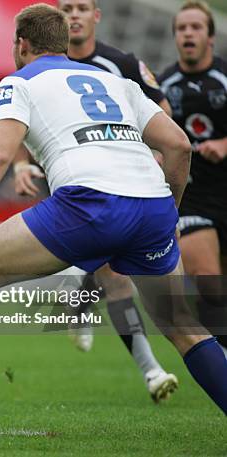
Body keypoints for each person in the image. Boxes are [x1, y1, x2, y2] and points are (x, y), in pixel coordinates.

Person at [0, 4, 227, 447]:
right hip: (150, 207)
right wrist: (168, 212)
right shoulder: (117, 82)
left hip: (89, 202)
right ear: (63, 41)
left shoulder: (18, 81)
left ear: (21, 44)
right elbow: (178, 146)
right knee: (182, 325)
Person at [13, 0, 178, 402]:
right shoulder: (33, 72)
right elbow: (16, 125)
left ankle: (83, 303)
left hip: (130, 182)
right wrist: (20, 164)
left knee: (122, 274)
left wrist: (155, 153)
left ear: (96, 16)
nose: (74, 14)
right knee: (114, 274)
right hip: (80, 182)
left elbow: (162, 111)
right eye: (66, 7)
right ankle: (149, 366)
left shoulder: (121, 63)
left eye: (82, 7)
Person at [158, 0, 227, 355]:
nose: (187, 34)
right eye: (181, 29)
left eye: (195, 27)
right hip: (193, 196)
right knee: (207, 283)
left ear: (210, 37)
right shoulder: (164, 85)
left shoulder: (224, 78)